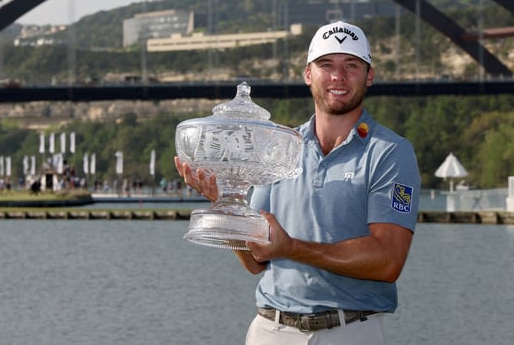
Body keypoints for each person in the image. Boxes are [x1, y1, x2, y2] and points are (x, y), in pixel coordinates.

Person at [175, 20, 421, 344]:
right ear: (308, 75)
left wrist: (291, 247)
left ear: (369, 76)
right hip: (270, 329)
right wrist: (226, 202)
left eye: (352, 65)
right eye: (326, 65)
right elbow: (255, 260)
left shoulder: (390, 153)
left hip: (349, 331)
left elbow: (388, 261)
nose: (338, 76)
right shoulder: (278, 147)